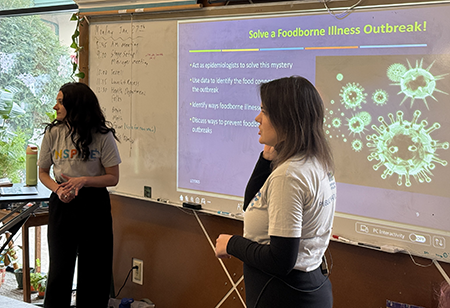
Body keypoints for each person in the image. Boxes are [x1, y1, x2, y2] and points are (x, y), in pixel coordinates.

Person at [215, 76, 336, 308]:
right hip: (308, 287)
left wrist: (232, 244)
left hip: (283, 294)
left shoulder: (289, 176)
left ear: (285, 119)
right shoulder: (314, 162)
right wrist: (266, 159)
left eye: (264, 111)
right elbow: (253, 204)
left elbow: (280, 260)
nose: (257, 118)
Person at [38, 82, 121, 308]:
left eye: (61, 101)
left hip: (94, 204)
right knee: (59, 269)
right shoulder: (53, 133)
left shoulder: (103, 135)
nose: (56, 106)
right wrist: (59, 189)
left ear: (76, 105)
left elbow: (113, 177)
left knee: (94, 270)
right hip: (62, 202)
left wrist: (84, 180)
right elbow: (43, 173)